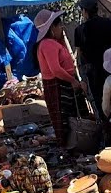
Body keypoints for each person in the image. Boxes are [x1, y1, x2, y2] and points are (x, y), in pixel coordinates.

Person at [34, 8, 85, 145]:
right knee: (65, 119)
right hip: (58, 85)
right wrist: (72, 80)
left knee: (73, 117)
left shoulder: (54, 42)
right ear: (52, 28)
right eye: (59, 25)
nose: (62, 27)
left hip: (63, 82)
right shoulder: (47, 44)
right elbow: (55, 69)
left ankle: (77, 144)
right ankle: (70, 146)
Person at [74, 0, 111, 105]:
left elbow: (80, 54)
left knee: (101, 102)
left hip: (94, 75)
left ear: (84, 11)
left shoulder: (79, 30)